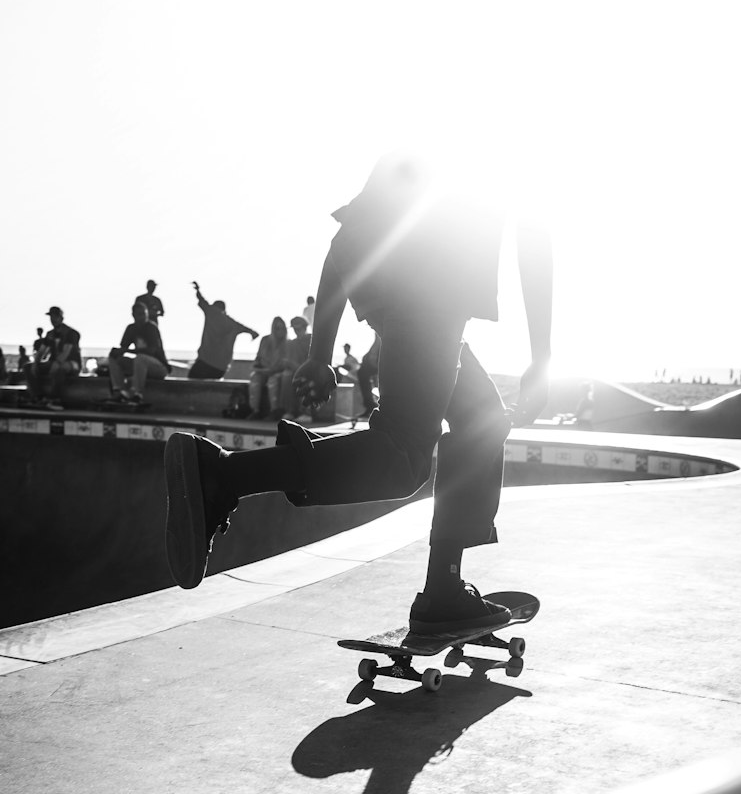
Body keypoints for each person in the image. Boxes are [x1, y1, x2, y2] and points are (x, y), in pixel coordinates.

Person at [164, 149, 553, 635]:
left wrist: (320, 352)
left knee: (482, 423)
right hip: (430, 298)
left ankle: (444, 591)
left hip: (416, 299)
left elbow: (343, 247)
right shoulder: (505, 165)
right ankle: (221, 475)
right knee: (403, 456)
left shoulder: (432, 159)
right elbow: (535, 240)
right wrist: (543, 356)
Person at [189, 283, 258, 379]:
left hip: (205, 361)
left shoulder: (211, 312)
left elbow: (202, 300)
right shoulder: (233, 323)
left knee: (191, 380)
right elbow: (252, 332)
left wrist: (197, 290)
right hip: (221, 367)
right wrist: (253, 334)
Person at [107, 300, 171, 403]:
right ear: (133, 315)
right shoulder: (131, 328)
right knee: (115, 358)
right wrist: (117, 352)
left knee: (140, 358)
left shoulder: (151, 328)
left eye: (144, 314)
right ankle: (118, 390)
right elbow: (123, 347)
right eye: (139, 314)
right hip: (140, 366)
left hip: (158, 367)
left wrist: (127, 350)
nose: (142, 317)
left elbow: (151, 351)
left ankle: (136, 393)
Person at [25, 307, 82, 409]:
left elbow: (66, 351)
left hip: (72, 363)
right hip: (54, 362)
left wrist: (58, 362)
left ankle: (56, 400)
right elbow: (42, 350)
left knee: (60, 369)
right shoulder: (50, 334)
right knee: (28, 367)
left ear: (61, 317)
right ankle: (38, 397)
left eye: (55, 317)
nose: (52, 319)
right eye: (51, 317)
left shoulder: (71, 333)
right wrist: (35, 363)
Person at [248, 316, 292, 419]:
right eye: (277, 328)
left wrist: (274, 370)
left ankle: (274, 411)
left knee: (273, 380)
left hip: (278, 372)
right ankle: (255, 411)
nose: (279, 331)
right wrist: (257, 367)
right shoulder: (265, 340)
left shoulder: (288, 343)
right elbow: (258, 358)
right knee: (255, 378)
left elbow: (286, 363)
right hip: (263, 370)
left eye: (282, 328)